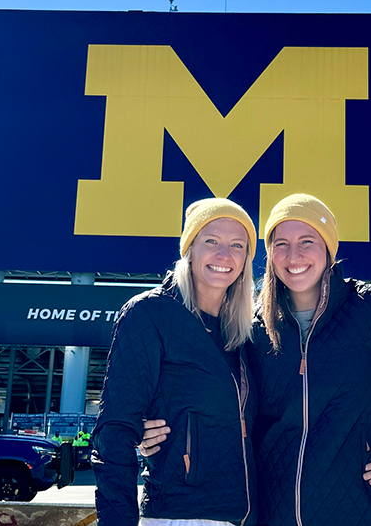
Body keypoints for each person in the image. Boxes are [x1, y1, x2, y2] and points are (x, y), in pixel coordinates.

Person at [141, 194, 371, 526]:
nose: (293, 256)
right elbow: (209, 402)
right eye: (280, 245)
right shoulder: (252, 329)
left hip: (359, 514)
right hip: (270, 517)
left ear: (328, 249)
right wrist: (150, 427)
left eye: (307, 242)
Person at [92, 198, 259, 526]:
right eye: (211, 241)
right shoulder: (149, 314)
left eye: (237, 245)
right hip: (181, 516)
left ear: (245, 260)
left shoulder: (245, 332)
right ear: (190, 249)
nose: (224, 255)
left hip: (245, 516)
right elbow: (114, 431)